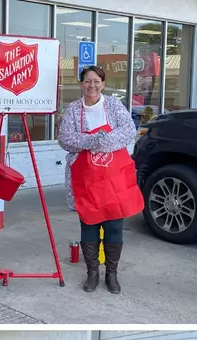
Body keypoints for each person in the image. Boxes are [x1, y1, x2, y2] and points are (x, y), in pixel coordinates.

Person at [58, 65, 141, 294]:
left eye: (96, 81)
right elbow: (65, 139)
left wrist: (102, 140)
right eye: (87, 81)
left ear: (103, 84)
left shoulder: (113, 105)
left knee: (114, 225)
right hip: (86, 179)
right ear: (81, 84)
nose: (92, 85)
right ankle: (92, 272)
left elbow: (128, 130)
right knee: (90, 224)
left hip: (113, 177)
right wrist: (95, 140)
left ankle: (111, 274)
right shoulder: (73, 110)